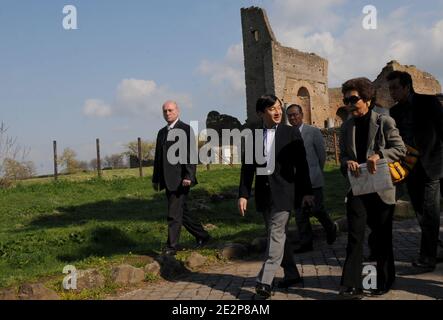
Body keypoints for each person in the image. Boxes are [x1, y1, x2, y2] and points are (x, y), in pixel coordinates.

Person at [238, 94, 314, 299]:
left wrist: (307, 192)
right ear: (261, 113)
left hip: (285, 194)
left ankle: (264, 280)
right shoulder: (253, 136)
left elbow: (303, 166)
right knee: (280, 238)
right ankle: (292, 274)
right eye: (272, 109)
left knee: (276, 236)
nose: (278, 111)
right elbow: (247, 169)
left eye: (279, 107)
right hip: (264, 195)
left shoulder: (291, 133)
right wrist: (243, 194)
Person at [339, 78, 406, 299]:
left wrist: (380, 155)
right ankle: (352, 284)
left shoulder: (384, 121)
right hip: (358, 187)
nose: (349, 103)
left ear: (367, 98)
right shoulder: (346, 126)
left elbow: (400, 149)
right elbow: (344, 157)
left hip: (380, 188)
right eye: (346, 99)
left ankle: (383, 280)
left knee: (381, 237)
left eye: (354, 99)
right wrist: (347, 163)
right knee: (355, 236)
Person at [387, 71, 443, 272]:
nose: (392, 92)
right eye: (390, 88)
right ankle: (435, 247)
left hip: (432, 165)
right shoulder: (394, 113)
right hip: (409, 168)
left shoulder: (429, 103)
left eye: (395, 88)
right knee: (420, 210)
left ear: (406, 86)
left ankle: (428, 257)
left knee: (430, 210)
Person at [152, 101, 211, 256]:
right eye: (165, 111)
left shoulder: (185, 129)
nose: (167, 113)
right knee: (181, 213)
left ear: (177, 111)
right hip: (166, 179)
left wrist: (189, 176)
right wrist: (156, 179)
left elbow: (191, 154)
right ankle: (203, 236)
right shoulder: (161, 132)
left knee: (173, 214)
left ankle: (172, 246)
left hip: (181, 179)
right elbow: (158, 158)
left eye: (170, 110)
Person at [286, 104, 337, 253]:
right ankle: (306, 243)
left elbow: (321, 155)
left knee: (316, 209)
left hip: (313, 178)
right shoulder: (287, 134)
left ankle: (330, 227)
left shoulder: (313, 132)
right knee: (300, 214)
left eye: (295, 114)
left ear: (302, 115)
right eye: (289, 115)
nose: (293, 117)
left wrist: (316, 172)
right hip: (296, 181)